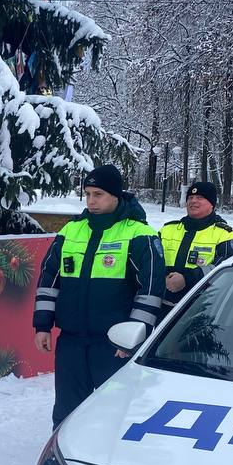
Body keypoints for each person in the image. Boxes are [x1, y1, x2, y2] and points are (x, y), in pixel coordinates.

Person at [33, 164, 165, 427]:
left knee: (112, 414)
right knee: (66, 412)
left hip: (114, 345)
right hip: (71, 341)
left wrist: (132, 338)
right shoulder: (71, 231)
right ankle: (62, 463)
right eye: (88, 194)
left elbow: (150, 291)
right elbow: (49, 280)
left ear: (116, 196)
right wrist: (42, 325)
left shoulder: (140, 235)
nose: (91, 201)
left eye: (98, 194)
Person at [159, 180, 233, 314]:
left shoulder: (224, 234)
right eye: (190, 197)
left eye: (200, 197)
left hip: (202, 309)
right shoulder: (168, 229)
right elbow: (152, 261)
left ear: (212, 204)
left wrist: (187, 279)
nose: (193, 201)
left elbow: (225, 271)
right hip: (163, 307)